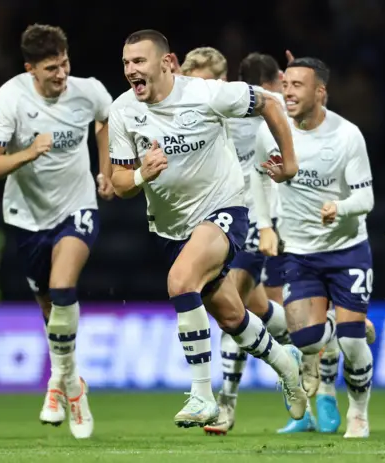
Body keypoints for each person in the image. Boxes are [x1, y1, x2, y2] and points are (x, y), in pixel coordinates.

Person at [109, 29, 308, 429]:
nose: (131, 70)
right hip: (170, 229)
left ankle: (203, 396)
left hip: (224, 210)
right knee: (233, 317)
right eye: (127, 63)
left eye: (139, 61)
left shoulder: (205, 94)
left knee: (180, 282)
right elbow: (117, 180)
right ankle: (288, 367)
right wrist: (141, 177)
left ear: (167, 62)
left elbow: (268, 102)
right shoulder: (123, 110)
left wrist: (289, 163)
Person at [0, 23, 114, 439]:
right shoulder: (8, 100)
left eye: (65, 63)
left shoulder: (87, 90)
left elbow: (106, 120)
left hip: (77, 206)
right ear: (30, 69)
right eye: (52, 68)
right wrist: (29, 152)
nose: (61, 74)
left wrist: (105, 170)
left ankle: (66, 388)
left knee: (62, 286)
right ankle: (68, 381)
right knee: (49, 311)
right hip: (27, 217)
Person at [179, 48, 307, 435]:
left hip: (258, 218)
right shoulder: (188, 112)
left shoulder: (245, 101)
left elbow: (290, 106)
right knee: (249, 309)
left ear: (223, 80)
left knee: (230, 307)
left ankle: (226, 405)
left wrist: (296, 77)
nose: (199, 89)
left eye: (206, 81)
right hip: (220, 218)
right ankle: (321, 337)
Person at [253, 57, 376, 438]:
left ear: (320, 92)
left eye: (297, 85)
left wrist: (339, 208)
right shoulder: (270, 131)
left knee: (353, 347)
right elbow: (258, 178)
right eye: (285, 84)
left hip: (347, 250)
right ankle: (337, 323)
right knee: (306, 341)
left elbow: (366, 197)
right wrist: (264, 226)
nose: (287, 91)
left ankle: (358, 411)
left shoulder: (346, 135)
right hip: (299, 253)